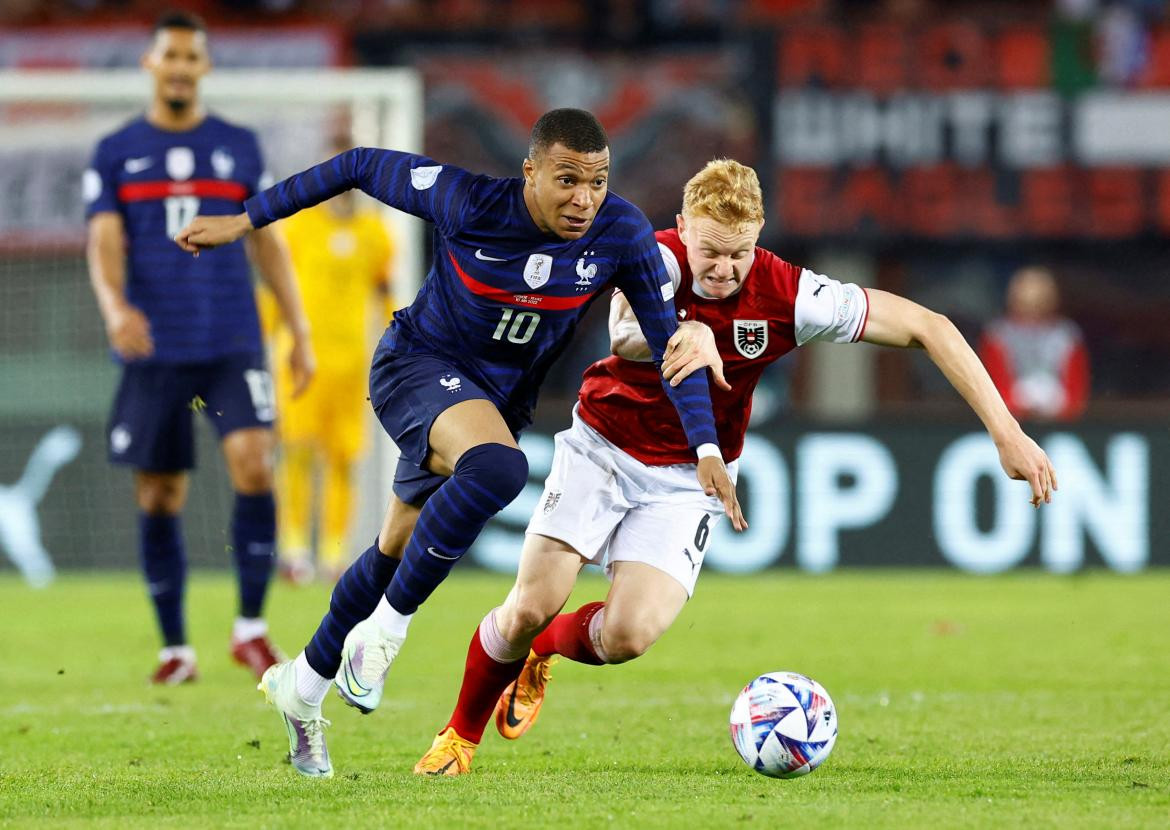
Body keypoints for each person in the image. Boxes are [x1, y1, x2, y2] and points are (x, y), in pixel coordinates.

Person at [411, 159, 1059, 776]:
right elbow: (624, 335)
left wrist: (1008, 432)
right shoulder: (652, 256)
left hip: (686, 480)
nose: (723, 269)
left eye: (739, 253)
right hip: (601, 448)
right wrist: (680, 338)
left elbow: (929, 325)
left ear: (759, 240)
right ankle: (457, 739)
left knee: (629, 634)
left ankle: (546, 651)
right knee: (527, 606)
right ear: (685, 228)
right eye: (711, 251)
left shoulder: (790, 293)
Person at [175, 108, 744, 778]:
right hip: (415, 367)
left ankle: (302, 686)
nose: (583, 199)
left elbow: (672, 349)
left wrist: (706, 450)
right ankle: (384, 636)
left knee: (394, 547)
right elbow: (359, 163)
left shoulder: (618, 232)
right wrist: (244, 220)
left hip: (490, 400)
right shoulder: (467, 199)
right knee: (500, 468)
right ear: (530, 172)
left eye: (596, 181)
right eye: (567, 180)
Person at [84, 12, 315, 685]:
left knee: (254, 462)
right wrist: (115, 308)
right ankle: (176, 647)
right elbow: (102, 238)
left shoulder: (239, 146)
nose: (181, 67)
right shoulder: (116, 149)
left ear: (204, 67)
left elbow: (267, 239)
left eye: (192, 57)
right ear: (151, 65)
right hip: (154, 345)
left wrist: (297, 330)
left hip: (230, 339)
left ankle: (249, 628)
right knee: (160, 494)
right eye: (171, 56)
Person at [259, 135, 396, 585]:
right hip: (299, 360)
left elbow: (384, 293)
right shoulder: (296, 227)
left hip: (352, 361)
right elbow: (274, 288)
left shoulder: (376, 234)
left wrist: (399, 342)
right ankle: (294, 548)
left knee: (343, 458)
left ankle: (334, 552)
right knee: (296, 451)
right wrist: (263, 335)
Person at [979, 266, 1090, 422]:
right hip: (1009, 420)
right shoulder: (998, 334)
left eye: (1038, 305)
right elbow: (990, 386)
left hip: (1059, 422)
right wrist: (1019, 405)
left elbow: (1076, 393)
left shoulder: (1067, 335)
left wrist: (1056, 406)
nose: (1031, 315)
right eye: (1025, 305)